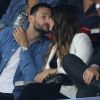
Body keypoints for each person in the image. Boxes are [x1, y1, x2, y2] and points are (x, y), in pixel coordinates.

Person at [18, 5, 93, 100]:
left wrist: (51, 71)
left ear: (59, 20)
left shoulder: (81, 38)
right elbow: (45, 72)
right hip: (53, 88)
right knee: (31, 90)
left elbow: (79, 69)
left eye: (50, 18)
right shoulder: (55, 46)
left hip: (70, 92)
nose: (48, 21)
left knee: (31, 90)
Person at [0, 3, 52, 100]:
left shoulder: (47, 46)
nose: (48, 21)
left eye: (50, 18)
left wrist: (24, 46)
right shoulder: (8, 33)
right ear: (30, 19)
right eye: (44, 17)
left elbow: (31, 79)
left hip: (13, 95)